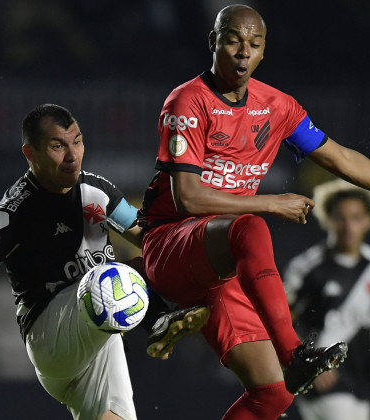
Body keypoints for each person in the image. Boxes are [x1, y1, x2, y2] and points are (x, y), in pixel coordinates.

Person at [134, 4, 370, 419]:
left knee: (273, 395)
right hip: (171, 245)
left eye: (254, 44)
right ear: (213, 42)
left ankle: (289, 365)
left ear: (263, 52)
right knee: (251, 227)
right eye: (232, 40)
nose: (243, 52)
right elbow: (187, 197)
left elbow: (344, 159)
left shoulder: (277, 107)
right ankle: (294, 352)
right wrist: (271, 202)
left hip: (221, 265)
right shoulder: (188, 101)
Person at [0, 104, 210, 420]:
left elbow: (151, 237)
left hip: (99, 327)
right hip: (51, 335)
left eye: (77, 141)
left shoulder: (96, 190)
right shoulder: (16, 210)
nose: (72, 155)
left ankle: (158, 319)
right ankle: (158, 320)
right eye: (57, 146)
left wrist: (204, 256)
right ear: (30, 154)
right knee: (114, 276)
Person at [283, 179, 370, 420]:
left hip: (364, 379)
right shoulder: (306, 267)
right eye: (340, 217)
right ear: (327, 219)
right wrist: (308, 360)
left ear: (367, 220)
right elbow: (280, 319)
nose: (348, 226)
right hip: (327, 381)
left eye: (356, 217)